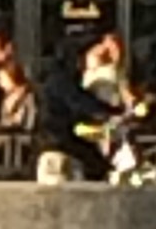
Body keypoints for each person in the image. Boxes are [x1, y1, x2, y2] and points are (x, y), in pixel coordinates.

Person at [39, 44, 116, 183]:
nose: (84, 65)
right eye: (82, 59)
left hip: (64, 143)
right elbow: (79, 101)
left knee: (96, 165)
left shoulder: (61, 80)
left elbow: (82, 100)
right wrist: (107, 112)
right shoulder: (61, 80)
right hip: (59, 145)